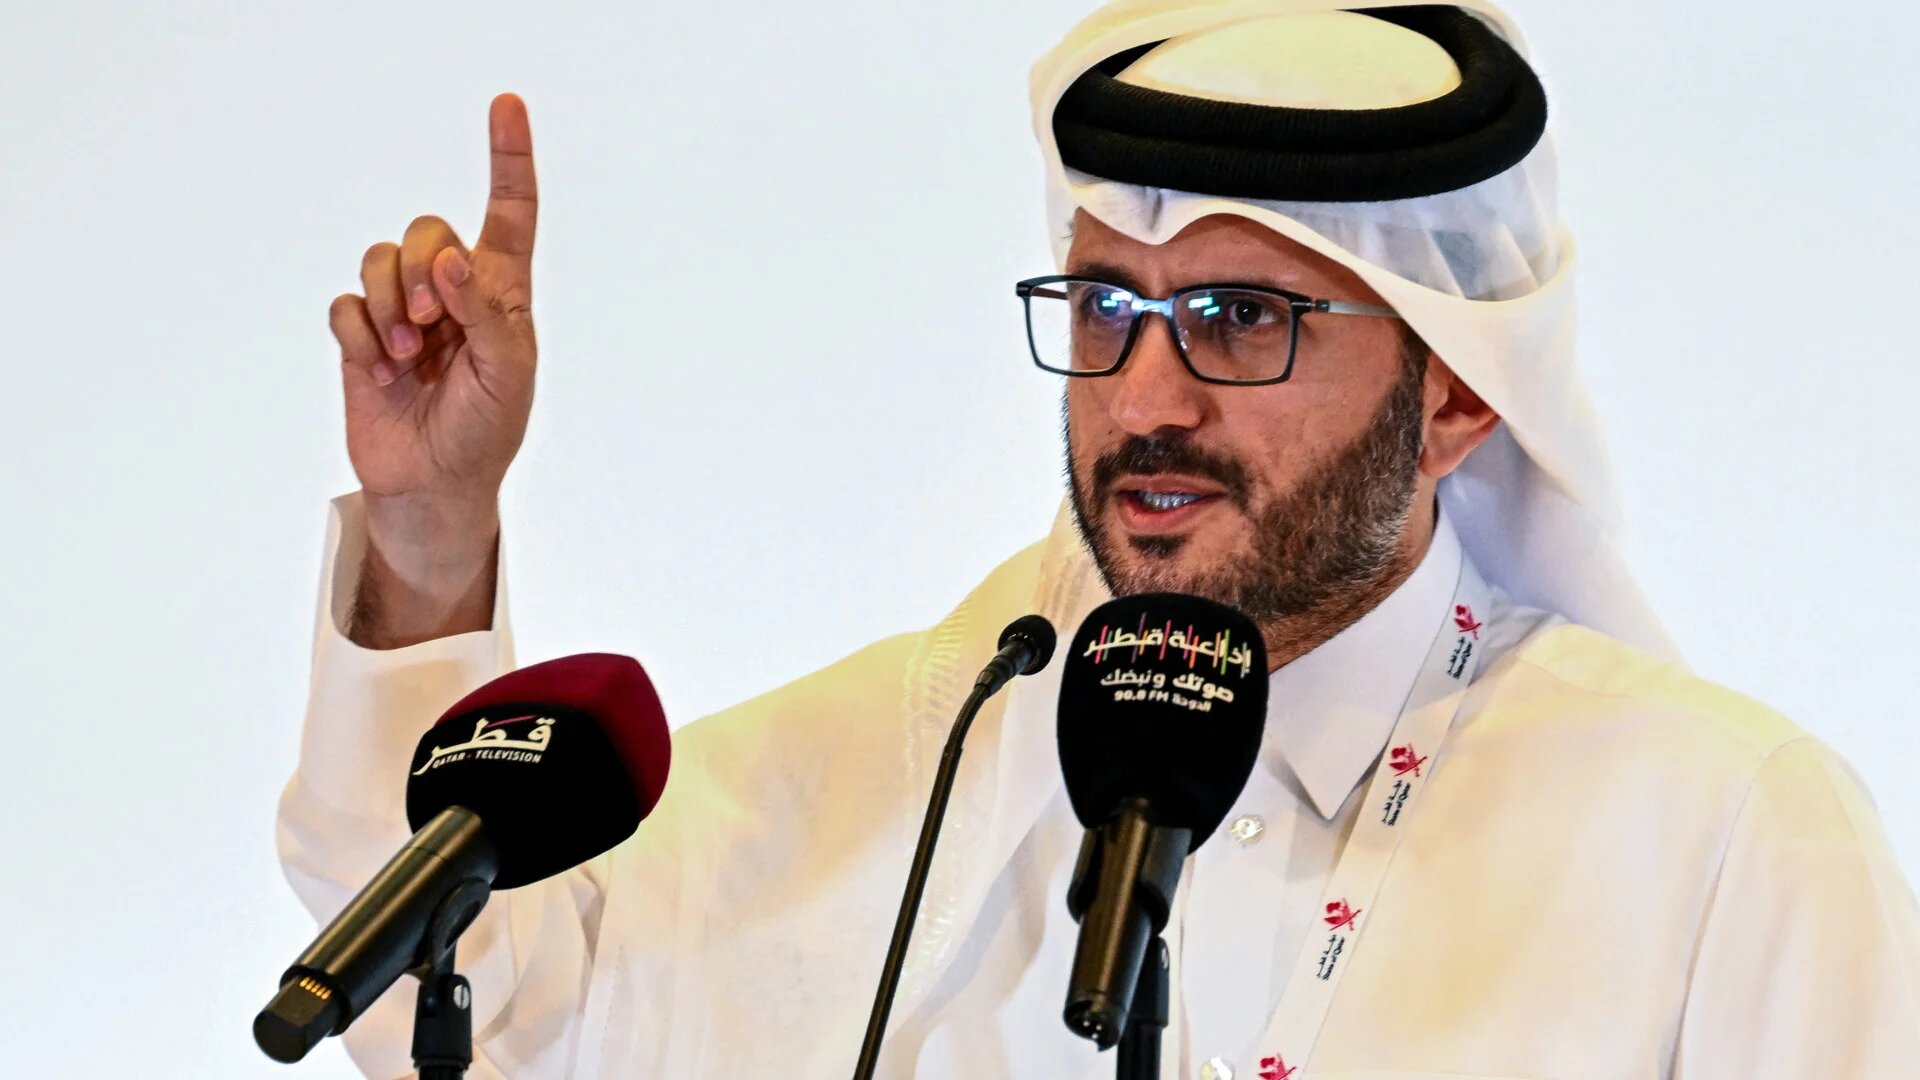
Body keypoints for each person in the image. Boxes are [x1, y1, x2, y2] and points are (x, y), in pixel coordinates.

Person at [279, 1, 1920, 1077]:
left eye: (1240, 317)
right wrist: (433, 531)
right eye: (1107, 310)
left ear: (1460, 399)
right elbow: (492, 1001)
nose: (1146, 397)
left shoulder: (1726, 841)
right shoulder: (927, 760)